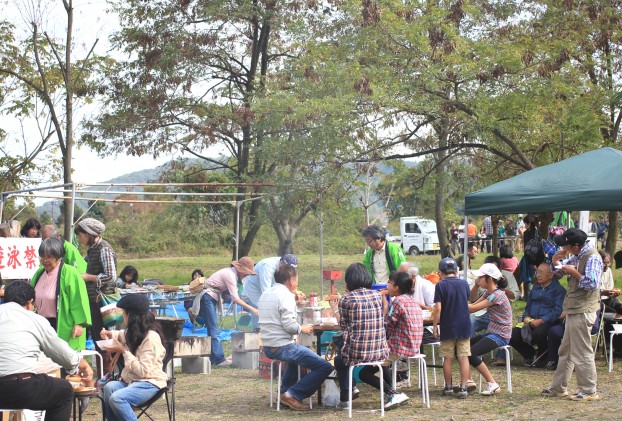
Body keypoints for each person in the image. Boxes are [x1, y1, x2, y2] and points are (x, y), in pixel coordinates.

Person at [0, 281, 93, 421]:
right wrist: (80, 363)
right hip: (21, 388)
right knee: (64, 391)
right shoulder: (34, 319)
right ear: (30, 302)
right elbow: (61, 352)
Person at [258, 265, 332, 411]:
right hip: (283, 346)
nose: (297, 283)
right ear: (291, 280)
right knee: (325, 366)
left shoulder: (266, 293)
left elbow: (277, 316)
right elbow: (290, 326)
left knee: (297, 358)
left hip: (268, 346)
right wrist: (302, 328)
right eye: (297, 280)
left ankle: (284, 391)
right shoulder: (285, 296)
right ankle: (293, 394)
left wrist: (294, 304)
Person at [542, 228, 603, 401]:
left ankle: (589, 390)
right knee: (566, 350)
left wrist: (574, 273)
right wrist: (555, 261)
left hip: (583, 310)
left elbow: (592, 283)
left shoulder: (592, 257)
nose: (563, 247)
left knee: (582, 352)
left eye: (565, 245)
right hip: (573, 309)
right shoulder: (578, 255)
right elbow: (559, 272)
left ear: (575, 246)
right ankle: (559, 387)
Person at [354, 271, 421, 408]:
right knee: (382, 357)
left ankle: (393, 393)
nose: (386, 285)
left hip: (400, 347)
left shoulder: (398, 302)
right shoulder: (412, 301)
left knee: (364, 373)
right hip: (414, 346)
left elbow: (388, 325)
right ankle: (391, 393)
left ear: (396, 287)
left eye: (389, 283)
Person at [332, 263, 395, 409]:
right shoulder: (377, 295)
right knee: (344, 347)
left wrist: (335, 310)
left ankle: (346, 399)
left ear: (349, 281)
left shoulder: (346, 299)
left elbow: (343, 325)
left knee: (339, 360)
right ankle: (390, 391)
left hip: (357, 353)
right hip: (381, 351)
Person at [101, 294, 168, 421]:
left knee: (118, 398)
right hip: (131, 381)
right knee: (109, 388)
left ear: (131, 316)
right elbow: (121, 334)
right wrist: (110, 334)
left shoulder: (151, 337)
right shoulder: (134, 331)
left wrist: (123, 351)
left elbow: (144, 371)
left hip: (149, 383)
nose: (122, 316)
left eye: (124, 313)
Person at [190, 257, 259, 366]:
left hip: (210, 297)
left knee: (211, 330)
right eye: (246, 273)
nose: (247, 275)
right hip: (207, 297)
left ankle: (212, 358)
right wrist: (252, 308)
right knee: (214, 329)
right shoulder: (230, 275)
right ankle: (219, 360)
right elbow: (235, 299)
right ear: (241, 270)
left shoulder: (232, 274)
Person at [31, 238, 91, 350]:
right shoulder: (39, 273)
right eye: (42, 256)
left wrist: (79, 324)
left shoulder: (71, 273)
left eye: (49, 257)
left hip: (62, 323)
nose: (45, 260)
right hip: (41, 324)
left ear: (59, 257)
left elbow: (79, 300)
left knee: (64, 360)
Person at [75, 217, 117, 373]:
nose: (80, 238)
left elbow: (111, 276)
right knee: (98, 339)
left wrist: (89, 277)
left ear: (90, 234)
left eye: (81, 235)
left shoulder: (104, 249)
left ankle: (108, 375)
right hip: (94, 300)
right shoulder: (92, 249)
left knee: (105, 338)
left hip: (103, 301)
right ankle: (104, 375)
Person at [467, 263, 513, 396]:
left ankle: (492, 383)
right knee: (464, 347)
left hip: (501, 335)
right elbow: (473, 304)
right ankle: (467, 381)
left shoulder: (497, 295)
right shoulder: (489, 292)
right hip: (493, 332)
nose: (478, 280)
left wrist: (454, 301)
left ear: (489, 279)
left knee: (471, 353)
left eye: (480, 277)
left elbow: (473, 308)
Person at [508, 263, 565, 368]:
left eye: (541, 272)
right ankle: (531, 354)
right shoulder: (535, 289)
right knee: (512, 334)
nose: (538, 275)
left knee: (539, 333)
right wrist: (526, 317)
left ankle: (544, 355)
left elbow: (557, 311)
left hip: (549, 321)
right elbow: (528, 306)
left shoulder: (558, 290)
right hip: (531, 320)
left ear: (551, 274)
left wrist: (542, 320)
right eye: (537, 272)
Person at [433, 257, 472, 398]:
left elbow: (438, 308)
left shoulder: (440, 285)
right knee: (463, 357)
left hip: (448, 325)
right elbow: (466, 301)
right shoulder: (464, 283)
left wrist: (435, 325)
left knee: (448, 358)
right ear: (456, 271)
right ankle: (463, 387)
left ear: (440, 272)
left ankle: (448, 387)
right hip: (464, 324)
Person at [241, 254, 300, 331]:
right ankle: (256, 337)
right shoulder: (267, 267)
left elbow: (286, 284)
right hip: (255, 293)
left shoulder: (283, 266)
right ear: (282, 263)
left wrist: (295, 292)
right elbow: (266, 292)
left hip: (268, 291)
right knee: (260, 323)